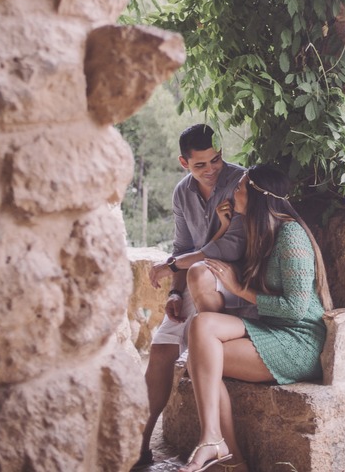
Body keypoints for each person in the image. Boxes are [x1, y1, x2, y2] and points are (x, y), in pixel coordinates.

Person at [179, 165, 332, 472]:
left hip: (299, 341)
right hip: (272, 328)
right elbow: (212, 253)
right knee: (202, 327)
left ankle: (227, 453)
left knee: (205, 360)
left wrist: (238, 289)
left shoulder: (291, 235)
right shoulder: (259, 229)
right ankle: (218, 444)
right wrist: (224, 224)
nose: (233, 191)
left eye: (240, 187)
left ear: (258, 195)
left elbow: (295, 309)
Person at [135, 124, 252, 469]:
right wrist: (174, 290)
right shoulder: (182, 193)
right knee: (159, 350)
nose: (211, 170)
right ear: (184, 163)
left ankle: (204, 343)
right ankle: (139, 447)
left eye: (215, 160)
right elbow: (184, 247)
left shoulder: (240, 182)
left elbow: (233, 246)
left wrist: (172, 265)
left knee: (200, 273)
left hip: (234, 285)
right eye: (200, 165)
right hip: (196, 284)